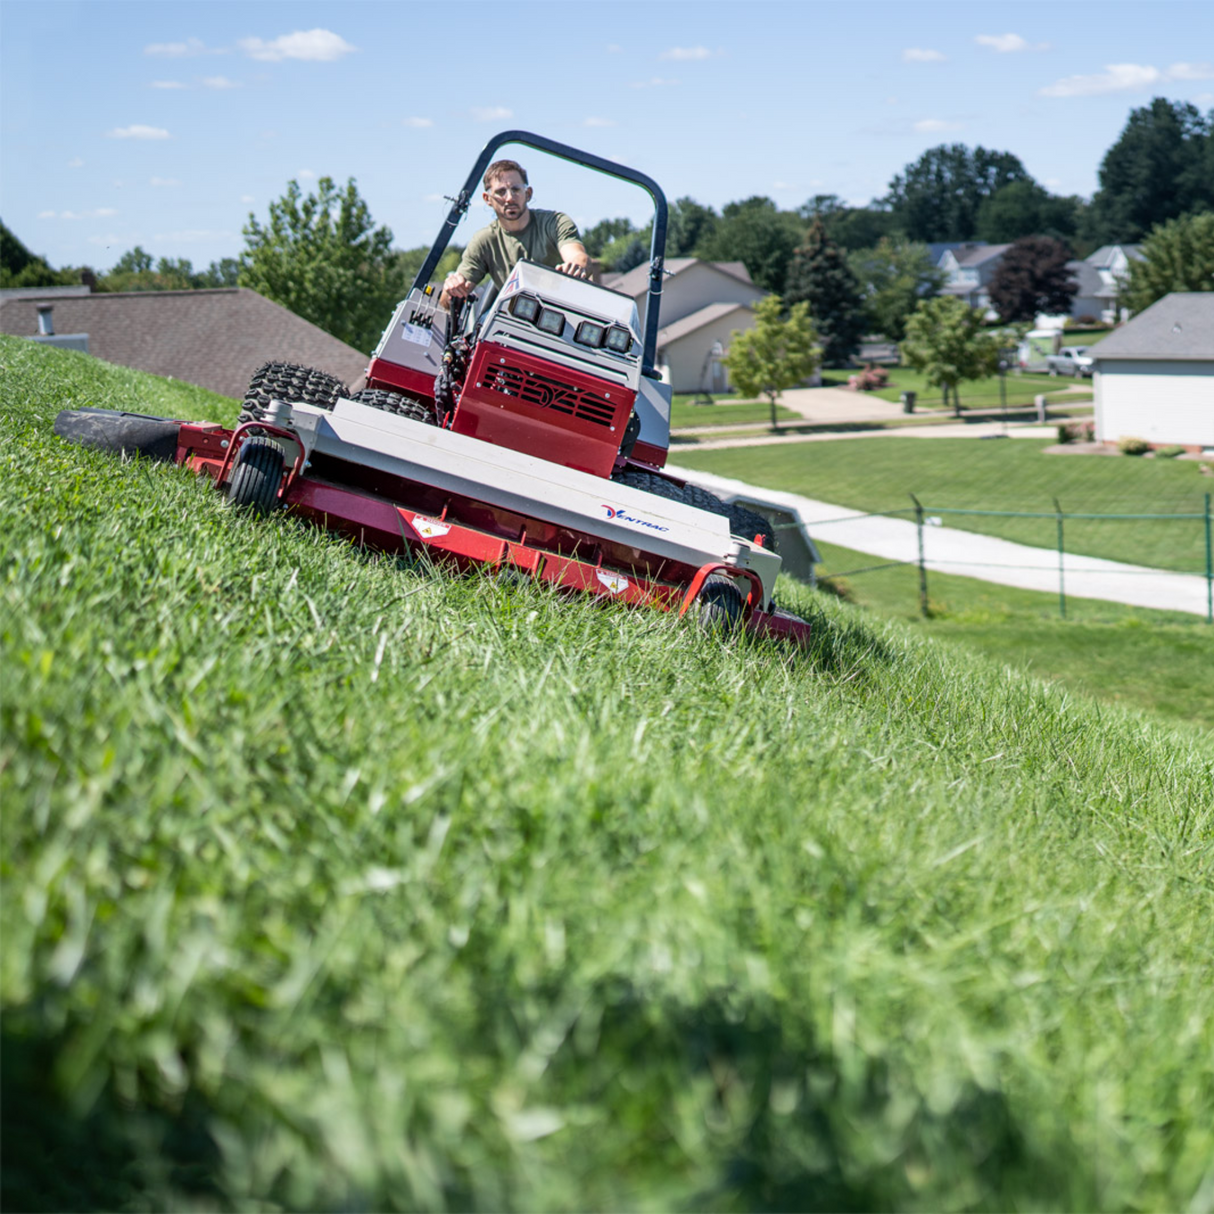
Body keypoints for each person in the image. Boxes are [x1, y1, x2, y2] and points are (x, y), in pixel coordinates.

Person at [440, 159, 590, 306]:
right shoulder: (484, 241)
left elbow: (579, 258)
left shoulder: (555, 223)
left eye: (516, 190)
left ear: (528, 193)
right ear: (487, 199)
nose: (510, 198)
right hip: (516, 320)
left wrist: (575, 266)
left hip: (565, 311)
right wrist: (452, 289)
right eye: (501, 192)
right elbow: (448, 301)